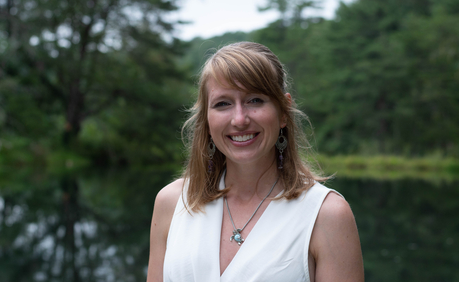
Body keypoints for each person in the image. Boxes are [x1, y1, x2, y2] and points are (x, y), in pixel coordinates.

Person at [147, 42, 364, 282]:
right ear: (207, 120)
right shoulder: (171, 203)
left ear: (283, 112)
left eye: (255, 100)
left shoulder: (327, 215)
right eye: (223, 104)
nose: (239, 119)